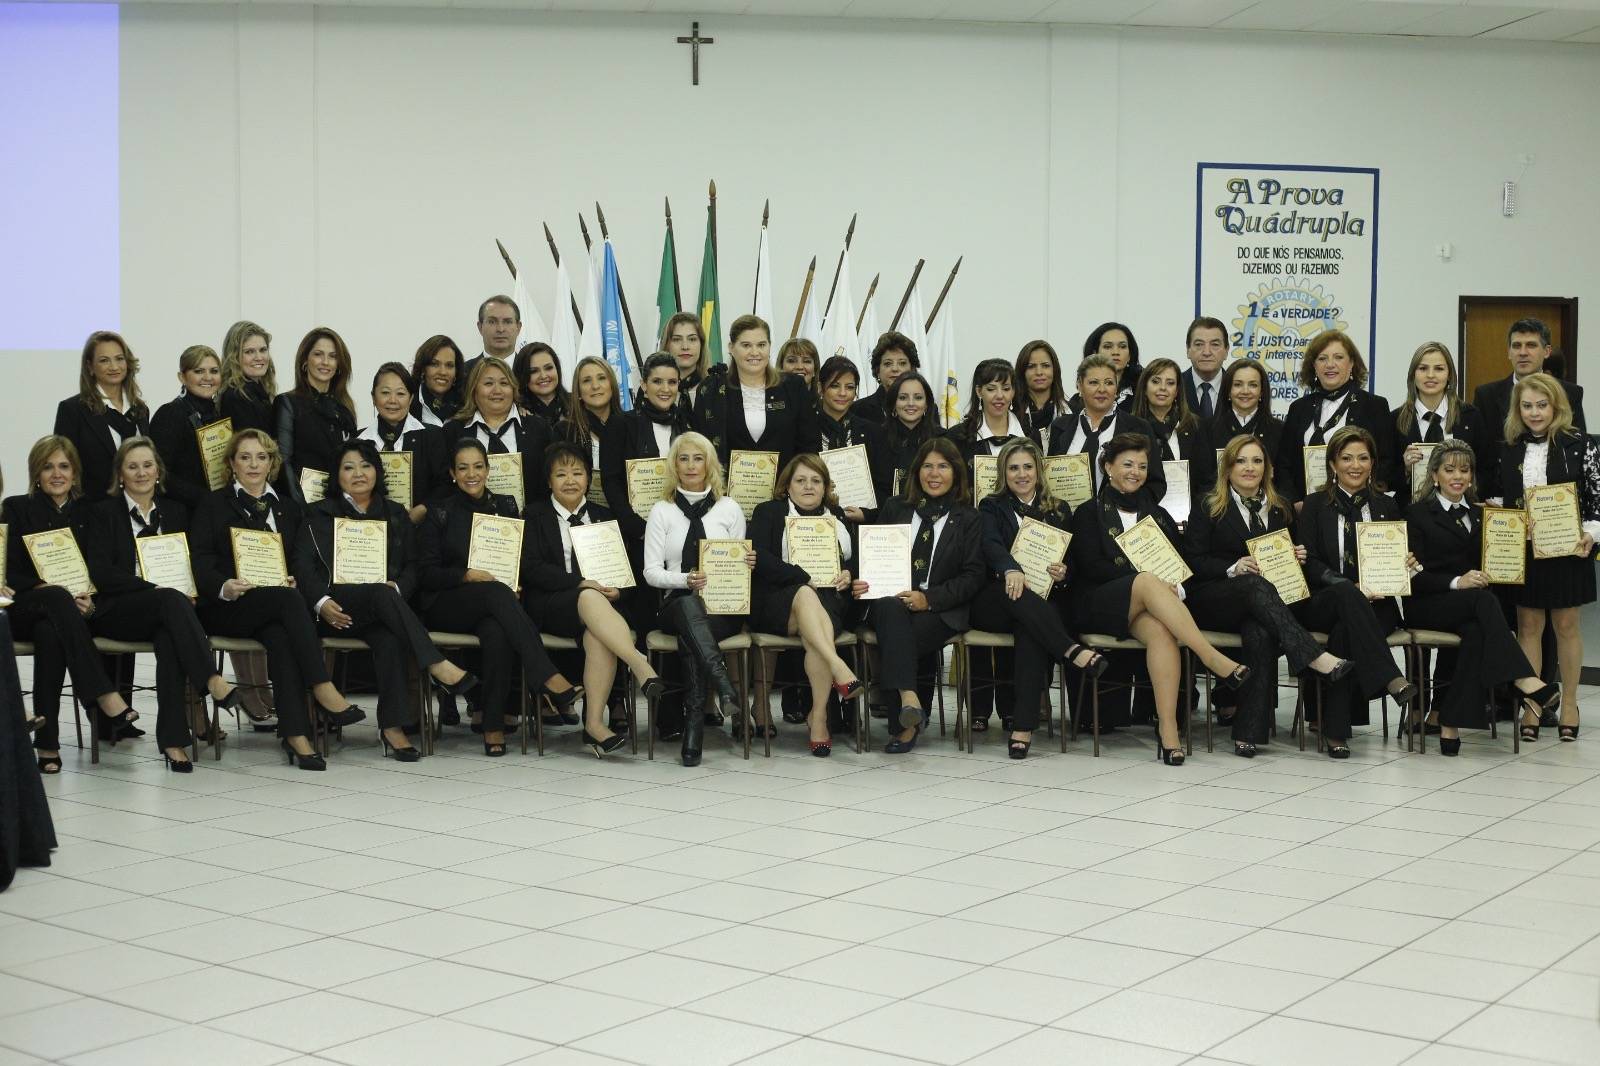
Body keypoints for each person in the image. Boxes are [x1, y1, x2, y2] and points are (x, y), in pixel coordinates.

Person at [1067, 433, 1249, 765]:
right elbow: (1092, 567)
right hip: (1096, 603)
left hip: (1143, 607)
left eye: (1142, 466)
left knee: (1162, 631)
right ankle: (1209, 656)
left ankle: (1168, 730)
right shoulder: (1087, 512)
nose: (1135, 472)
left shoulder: (1160, 515)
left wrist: (1175, 586)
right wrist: (1143, 581)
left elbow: (1180, 566)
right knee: (1147, 580)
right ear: (1108, 467)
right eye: (1127, 464)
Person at [293, 439, 478, 762]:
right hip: (335, 608)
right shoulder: (318, 513)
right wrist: (321, 602)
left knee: (390, 635)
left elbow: (413, 566)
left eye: (365, 466)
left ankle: (392, 727)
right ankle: (436, 664)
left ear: (377, 471)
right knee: (381, 594)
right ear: (337, 475)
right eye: (348, 467)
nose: (358, 474)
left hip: (382, 608)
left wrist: (399, 588)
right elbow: (302, 565)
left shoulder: (395, 513)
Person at [191, 429, 364, 772]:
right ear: (231, 464)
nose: (254, 464)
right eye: (245, 457)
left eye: (261, 457)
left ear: (272, 462)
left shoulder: (288, 507)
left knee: (283, 637)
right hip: (228, 606)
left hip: (275, 607)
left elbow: (299, 559)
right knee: (288, 603)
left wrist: (295, 578)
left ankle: (296, 735)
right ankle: (322, 686)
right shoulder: (213, 504)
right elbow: (200, 560)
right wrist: (224, 585)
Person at [1183, 435, 1357, 757]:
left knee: (1260, 631)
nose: (1249, 468)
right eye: (1241, 461)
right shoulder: (1208, 504)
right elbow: (1193, 561)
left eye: (1257, 461)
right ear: (1228, 468)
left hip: (1265, 606)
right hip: (1215, 599)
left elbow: (1288, 558)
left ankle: (1248, 732)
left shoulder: (1280, 508)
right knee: (1253, 583)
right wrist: (1233, 566)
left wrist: (1297, 556)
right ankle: (1312, 656)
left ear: (1268, 468)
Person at [82, 438, 245, 771]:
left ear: (158, 471)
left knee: (170, 637)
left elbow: (192, 563)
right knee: (170, 600)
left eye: (148, 465)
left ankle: (173, 741)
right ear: (120, 475)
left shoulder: (176, 512)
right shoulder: (102, 513)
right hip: (118, 611)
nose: (141, 473)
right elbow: (101, 572)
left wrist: (190, 590)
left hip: (168, 610)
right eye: (132, 467)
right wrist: (154, 588)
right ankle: (211, 679)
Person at [416, 437, 581, 756]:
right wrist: (466, 575)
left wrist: (515, 582)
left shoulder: (505, 506)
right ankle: (547, 675)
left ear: (488, 469)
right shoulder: (440, 511)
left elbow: (518, 558)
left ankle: (493, 725)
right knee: (495, 593)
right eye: (463, 468)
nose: (471, 474)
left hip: (494, 602)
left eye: (478, 466)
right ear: (452, 473)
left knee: (497, 631)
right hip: (447, 602)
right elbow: (426, 573)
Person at [1405, 439, 1559, 754]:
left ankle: (1448, 721)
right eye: (1449, 470)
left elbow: (1497, 563)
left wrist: (1515, 535)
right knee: (1483, 600)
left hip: (1469, 609)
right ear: (1434, 475)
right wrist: (1456, 582)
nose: (1458, 476)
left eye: (1465, 470)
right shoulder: (1417, 514)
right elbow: (1413, 577)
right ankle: (1523, 679)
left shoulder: (1482, 516)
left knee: (1476, 631)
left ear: (1472, 476)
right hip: (1427, 603)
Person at [3, 437, 140, 774]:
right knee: (54, 597)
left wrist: (88, 599)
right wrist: (41, 585)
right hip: (25, 604)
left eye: (64, 466)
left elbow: (99, 566)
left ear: (75, 472)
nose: (57, 474)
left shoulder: (90, 512)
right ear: (36, 473)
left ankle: (47, 744)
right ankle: (102, 692)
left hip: (71, 612)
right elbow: (8, 570)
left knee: (50, 635)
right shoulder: (16, 508)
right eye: (47, 467)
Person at [522, 442, 664, 757]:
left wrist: (619, 590)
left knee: (597, 636)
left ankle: (594, 725)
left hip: (602, 612)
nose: (570, 480)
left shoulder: (605, 517)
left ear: (588, 478)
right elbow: (530, 568)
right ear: (549, 481)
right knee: (588, 594)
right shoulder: (533, 515)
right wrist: (579, 583)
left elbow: (627, 571)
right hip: (552, 605)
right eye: (561, 474)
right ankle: (639, 663)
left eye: (577, 473)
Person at [973, 439, 1107, 759]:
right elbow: (991, 544)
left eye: (1027, 467)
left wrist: (1064, 572)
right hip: (996, 599)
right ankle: (1070, 650)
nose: (1021, 474)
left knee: (1031, 628)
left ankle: (1023, 728)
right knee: (1021, 599)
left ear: (1039, 470)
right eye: (1013, 468)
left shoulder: (1059, 508)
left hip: (1039, 604)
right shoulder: (991, 506)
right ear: (1003, 473)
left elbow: (1072, 560)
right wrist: (1010, 569)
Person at [1294, 425, 1420, 757]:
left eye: (1363, 458)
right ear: (1333, 464)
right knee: (1347, 598)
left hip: (1377, 606)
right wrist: (1349, 587)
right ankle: (1390, 676)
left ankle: (1335, 732)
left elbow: (1397, 559)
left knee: (1344, 632)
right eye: (1346, 458)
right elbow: (1310, 563)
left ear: (1373, 463)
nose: (1355, 465)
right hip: (1325, 600)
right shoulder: (1314, 505)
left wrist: (1405, 564)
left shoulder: (1387, 507)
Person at [858, 437, 985, 754]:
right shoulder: (895, 507)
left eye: (943, 466)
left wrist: (928, 599)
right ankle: (910, 702)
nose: (934, 473)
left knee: (899, 636)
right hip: (889, 601)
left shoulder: (969, 518)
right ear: (916, 472)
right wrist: (860, 578)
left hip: (939, 609)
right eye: (927, 466)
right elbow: (869, 556)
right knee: (891, 610)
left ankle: (905, 719)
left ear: (956, 473)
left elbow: (973, 577)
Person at [1499, 373, 1600, 742]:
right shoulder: (1510, 448)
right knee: (1528, 628)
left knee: (1566, 627)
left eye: (1542, 405)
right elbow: (1499, 498)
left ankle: (1570, 703)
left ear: (1556, 406)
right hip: (1525, 551)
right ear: (1518, 409)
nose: (1535, 413)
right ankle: (1533, 704)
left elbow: (1596, 499)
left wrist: (1591, 533)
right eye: (1527, 406)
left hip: (1569, 547)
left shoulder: (1581, 444)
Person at [642, 432, 752, 766]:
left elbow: (738, 566)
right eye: (684, 458)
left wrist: (747, 563)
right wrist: (684, 580)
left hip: (722, 607)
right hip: (674, 604)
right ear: (674, 466)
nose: (691, 465)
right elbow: (650, 572)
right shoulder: (662, 510)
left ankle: (694, 728)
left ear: (710, 464)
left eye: (698, 458)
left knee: (693, 634)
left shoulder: (729, 508)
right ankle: (725, 688)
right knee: (689, 607)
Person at [748, 454, 864, 757]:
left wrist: (850, 572)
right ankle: (835, 674)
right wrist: (803, 577)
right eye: (800, 480)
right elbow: (760, 557)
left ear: (825, 487)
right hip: (776, 602)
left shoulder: (837, 515)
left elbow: (856, 558)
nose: (808, 486)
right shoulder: (768, 512)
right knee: (803, 594)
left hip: (829, 603)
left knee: (816, 631)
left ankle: (819, 715)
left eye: (816, 481)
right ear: (787, 486)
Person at [1277, 330, 1399, 505]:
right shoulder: (1299, 408)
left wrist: (1363, 497)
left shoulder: (1374, 406)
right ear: (1314, 366)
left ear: (1351, 364)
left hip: (1358, 507)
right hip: (1306, 509)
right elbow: (1284, 465)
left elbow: (1386, 461)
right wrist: (1294, 502)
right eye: (1322, 358)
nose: (1330, 364)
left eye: (1338, 357)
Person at [1474, 317, 1587, 499]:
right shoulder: (1486, 395)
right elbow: (1482, 456)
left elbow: (1578, 450)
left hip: (1557, 501)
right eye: (1516, 346)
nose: (1523, 352)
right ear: (1509, 352)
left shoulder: (1570, 393)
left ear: (1547, 351)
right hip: (1502, 500)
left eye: (1531, 345)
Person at [694, 315, 819, 472]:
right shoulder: (711, 389)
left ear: (769, 346)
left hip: (785, 485)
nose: (755, 352)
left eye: (761, 345)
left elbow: (809, 446)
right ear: (731, 348)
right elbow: (698, 445)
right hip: (725, 485)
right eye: (746, 345)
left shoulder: (793, 386)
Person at [443, 355, 551, 516]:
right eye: (488, 383)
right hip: (470, 523)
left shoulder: (539, 428)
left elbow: (549, 481)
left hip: (532, 523)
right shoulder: (453, 432)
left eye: (504, 383)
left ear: (513, 389)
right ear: (474, 389)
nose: (497, 390)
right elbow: (444, 485)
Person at [53, 330, 151, 503]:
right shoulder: (72, 410)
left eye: (119, 358)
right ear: (90, 367)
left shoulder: (140, 410)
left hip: (134, 508)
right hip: (91, 508)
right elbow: (64, 467)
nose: (114, 367)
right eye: (104, 360)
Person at [1047, 354, 1164, 498]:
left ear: (1116, 388)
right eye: (1093, 382)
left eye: (1109, 383)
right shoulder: (1060, 426)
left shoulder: (1139, 428)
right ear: (1079, 386)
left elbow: (1156, 485)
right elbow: (1049, 481)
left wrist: (1127, 507)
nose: (1102, 389)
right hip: (1067, 512)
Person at [1395, 342, 1489, 502]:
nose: (1430, 375)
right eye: (1423, 368)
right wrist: (1405, 469)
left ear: (1450, 375)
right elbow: (1384, 477)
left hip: (1461, 509)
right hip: (1411, 511)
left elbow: (1486, 469)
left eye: (1439, 369)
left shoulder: (1471, 416)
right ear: (1413, 375)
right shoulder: (1396, 419)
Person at [355, 362, 448, 524]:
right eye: (385, 393)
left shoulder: (432, 436)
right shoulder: (357, 442)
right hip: (371, 529)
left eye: (400, 393)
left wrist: (423, 509)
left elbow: (445, 485)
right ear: (373, 397)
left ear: (411, 398)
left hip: (420, 530)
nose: (393, 400)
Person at [275, 327, 358, 504]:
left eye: (333, 356)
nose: (325, 362)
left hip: (339, 506)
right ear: (305, 360)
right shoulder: (287, 403)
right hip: (301, 507)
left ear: (339, 365)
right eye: (318, 354)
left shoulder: (345, 410)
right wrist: (301, 507)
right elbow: (283, 462)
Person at [1132, 357, 1214, 528]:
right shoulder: (1130, 427)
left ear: (1177, 391)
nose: (1163, 388)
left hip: (1191, 520)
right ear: (1144, 388)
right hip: (1143, 519)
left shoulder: (1195, 426)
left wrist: (1197, 516)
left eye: (1170, 383)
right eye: (1156, 381)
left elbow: (1206, 479)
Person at [149, 344, 230, 510]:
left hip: (216, 507)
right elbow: (159, 473)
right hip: (182, 511)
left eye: (214, 371)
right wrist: (204, 498)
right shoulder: (169, 414)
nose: (208, 377)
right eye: (199, 371)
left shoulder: (220, 414)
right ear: (182, 377)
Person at [815, 355, 892, 522]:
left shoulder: (873, 432)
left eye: (849, 387)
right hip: (813, 522)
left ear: (856, 391)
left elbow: (885, 487)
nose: (843, 393)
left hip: (860, 526)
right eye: (835, 386)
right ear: (820, 388)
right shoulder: (804, 429)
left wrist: (867, 514)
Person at [943, 358, 1026, 475]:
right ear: (979, 391)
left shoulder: (1029, 434)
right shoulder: (957, 437)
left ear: (1013, 392)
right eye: (991, 389)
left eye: (1006, 389)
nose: (1000, 395)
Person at [562, 355, 624, 500]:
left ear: (612, 385)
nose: (595, 386)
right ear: (578, 392)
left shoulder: (631, 425)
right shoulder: (564, 431)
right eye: (586, 381)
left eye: (601, 378)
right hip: (582, 510)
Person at [1204, 358, 1283, 462]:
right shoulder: (1208, 429)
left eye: (1253, 385)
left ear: (1262, 391)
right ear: (1228, 390)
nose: (1245, 391)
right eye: (1238, 384)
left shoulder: (1279, 430)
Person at [882, 372, 942, 499]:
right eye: (903, 398)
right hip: (885, 510)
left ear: (927, 404)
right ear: (893, 403)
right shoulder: (876, 437)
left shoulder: (943, 439)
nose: (910, 403)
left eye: (918, 398)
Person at [219, 320, 278, 436]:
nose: (259, 357)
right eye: (249, 352)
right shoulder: (237, 397)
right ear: (234, 356)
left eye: (263, 350)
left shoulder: (258, 391)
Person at [1068, 322, 1141, 414]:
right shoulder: (1076, 403)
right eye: (1107, 347)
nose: (1115, 352)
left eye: (1122, 346)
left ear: (1130, 354)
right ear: (1095, 353)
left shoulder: (1143, 393)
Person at [851, 331, 920, 425]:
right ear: (878, 370)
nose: (895, 369)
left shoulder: (926, 408)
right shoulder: (858, 410)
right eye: (888, 363)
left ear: (912, 369)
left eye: (902, 363)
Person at [1015, 340, 1071, 453]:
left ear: (1054, 370)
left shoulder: (1073, 413)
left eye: (1045, 366)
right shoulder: (1011, 415)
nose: (1039, 372)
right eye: (1031, 366)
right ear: (1022, 372)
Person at [462, 295, 521, 382]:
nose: (500, 329)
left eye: (507, 322)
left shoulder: (531, 371)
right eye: (492, 322)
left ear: (518, 327)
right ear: (480, 327)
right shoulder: (463, 373)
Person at [1181, 316, 1231, 419]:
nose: (1207, 352)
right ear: (1188, 350)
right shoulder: (1175, 385)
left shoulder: (1237, 388)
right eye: (1199, 344)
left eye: (1215, 345)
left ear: (1226, 351)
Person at [410, 335, 465, 428]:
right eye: (434, 364)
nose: (443, 372)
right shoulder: (408, 404)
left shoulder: (467, 406)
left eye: (449, 365)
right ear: (423, 369)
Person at [659, 312, 711, 410]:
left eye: (692, 339)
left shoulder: (715, 389)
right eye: (677, 339)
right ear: (666, 345)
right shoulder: (652, 392)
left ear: (701, 344)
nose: (685, 346)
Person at [513, 342, 569, 429]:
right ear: (522, 376)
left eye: (548, 368)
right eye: (533, 371)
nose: (543, 376)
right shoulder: (515, 413)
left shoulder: (578, 405)